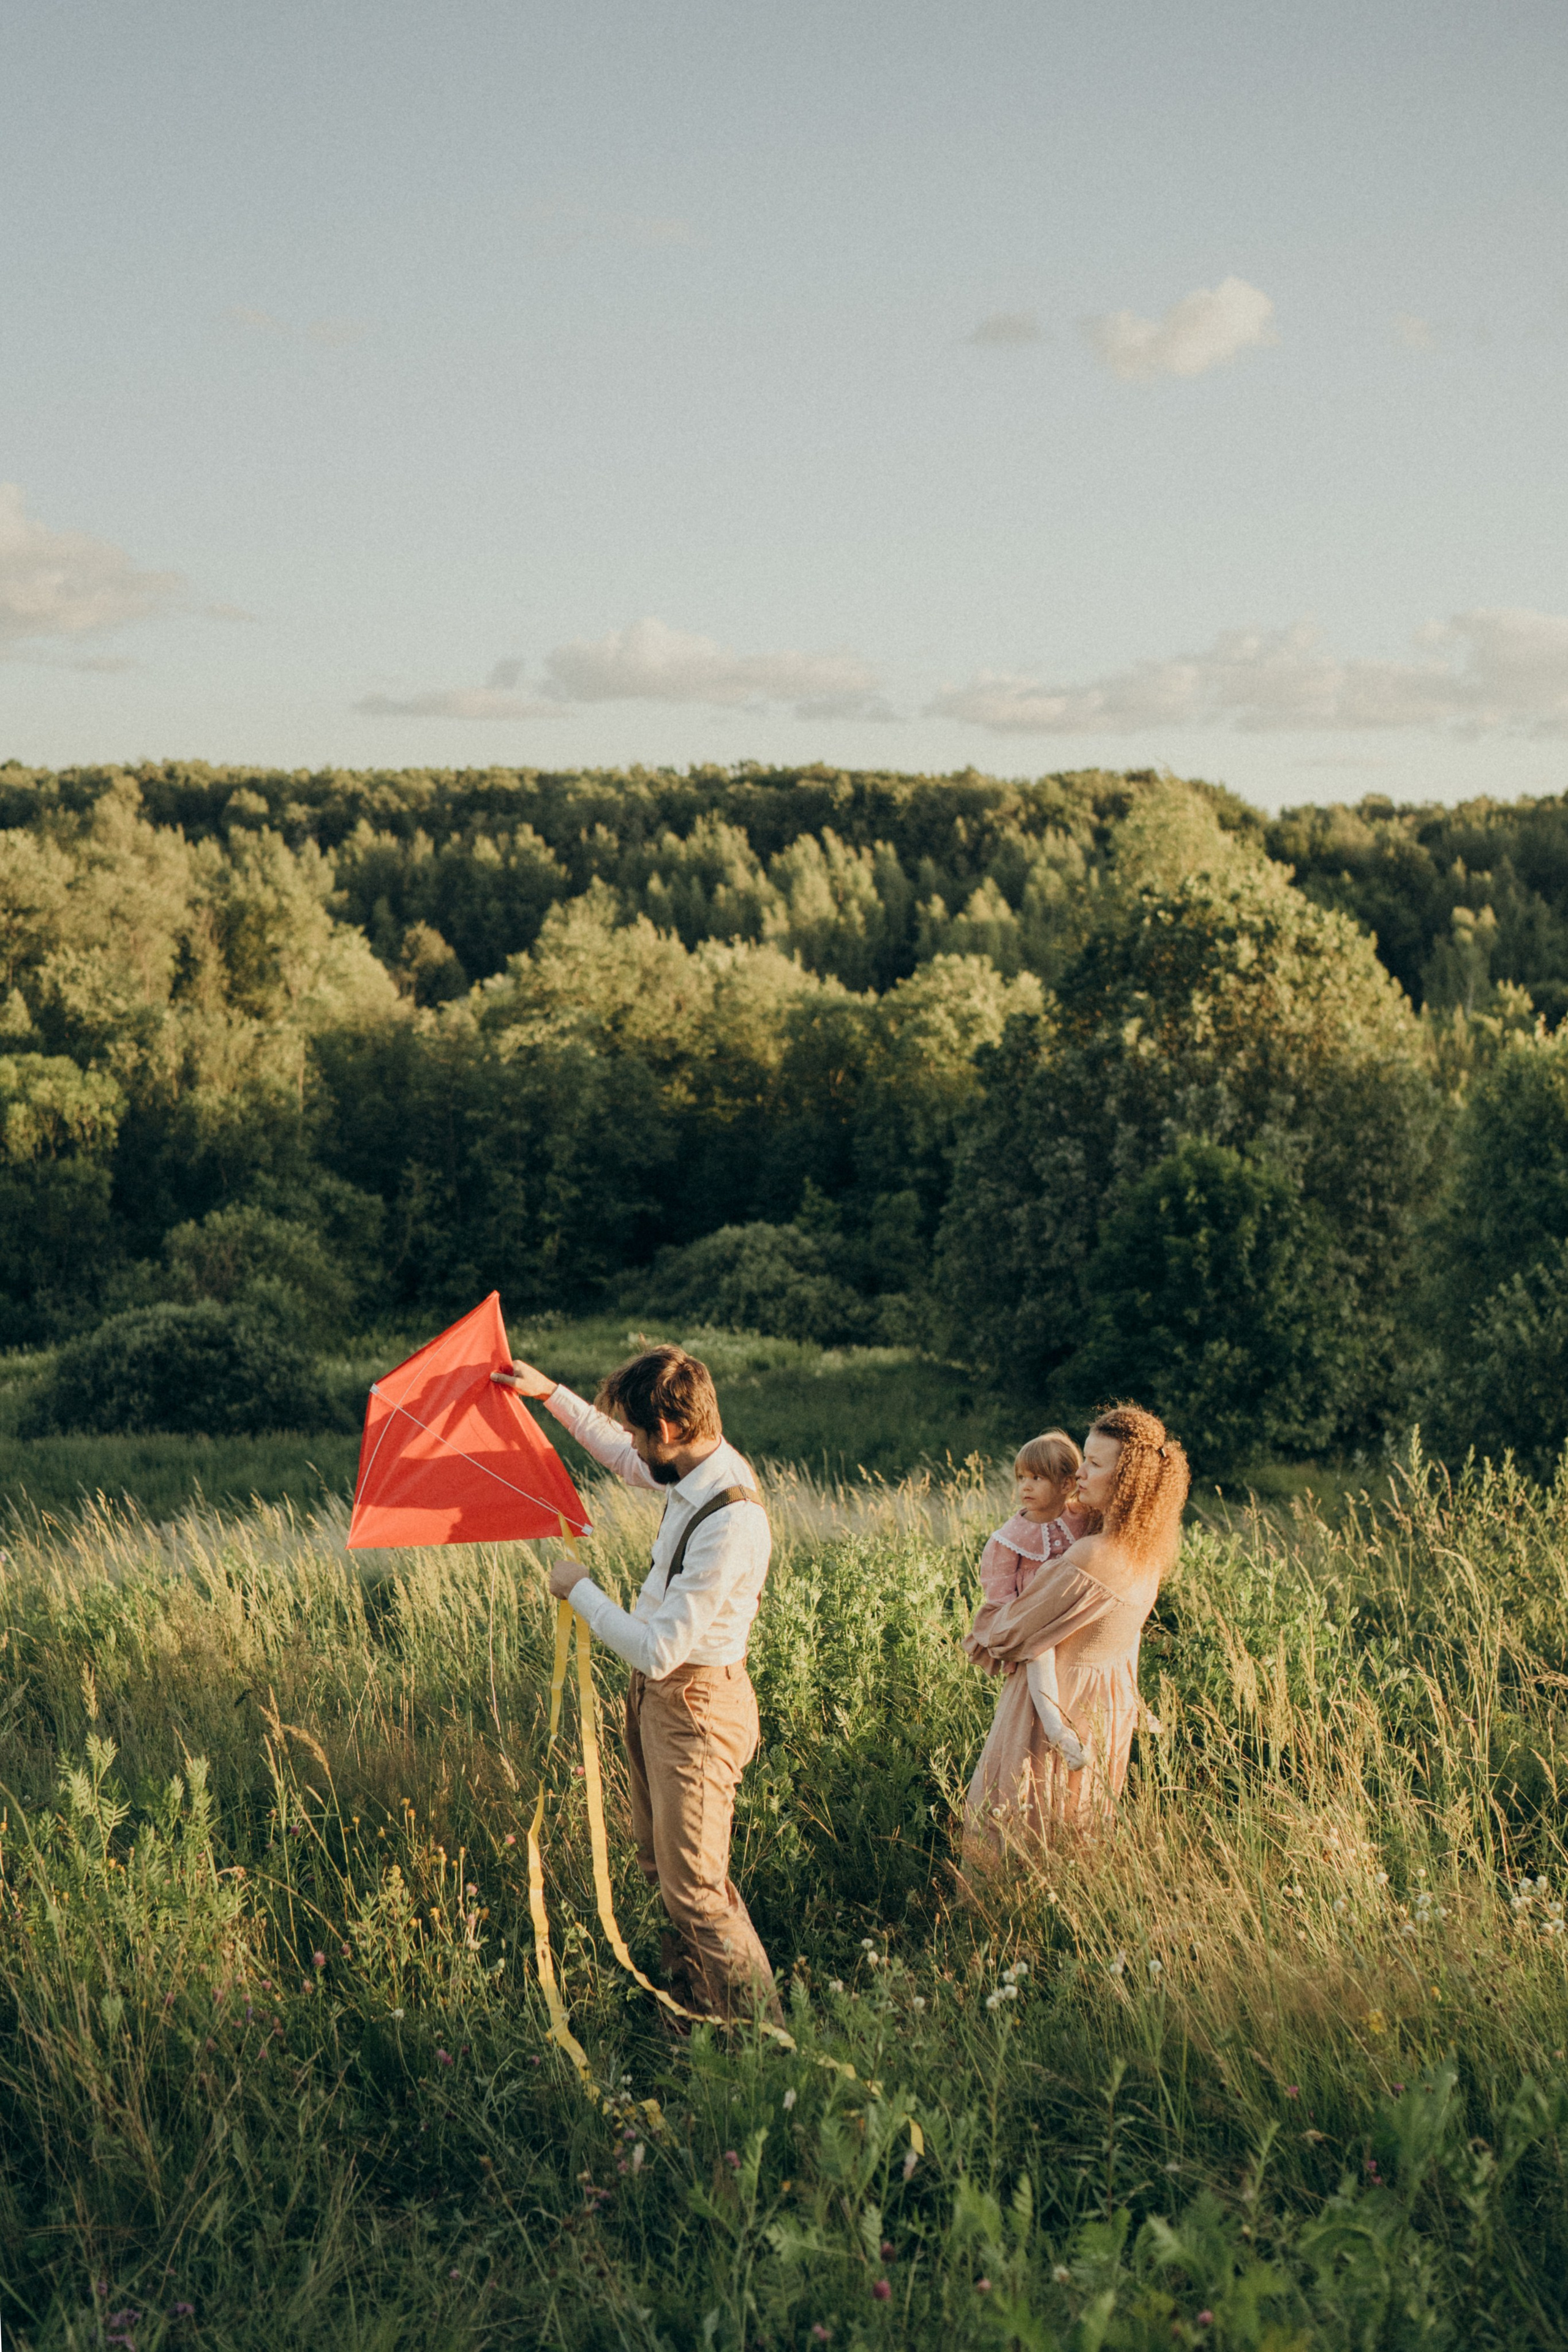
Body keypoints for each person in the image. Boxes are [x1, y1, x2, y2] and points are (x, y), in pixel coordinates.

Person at [492, 1342, 781, 2024]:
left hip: (696, 1704)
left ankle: (764, 2040)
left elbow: (658, 1650)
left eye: (641, 1430)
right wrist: (550, 1395)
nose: (632, 1444)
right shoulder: (691, 1466)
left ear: (672, 1431)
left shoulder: (730, 1517)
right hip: (663, 1700)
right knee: (662, 1872)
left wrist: (582, 1592)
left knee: (699, 1894)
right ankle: (696, 2018)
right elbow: (626, 1459)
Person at [962, 1402, 1188, 1864]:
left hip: (1057, 1709)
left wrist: (994, 1618)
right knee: (1075, 1842)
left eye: (1094, 1464)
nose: (1079, 1473)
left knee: (1015, 1837)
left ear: (1129, 1480)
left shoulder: (1092, 1555)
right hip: (1107, 1707)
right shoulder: (1146, 1551)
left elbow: (1007, 1635)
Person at [966, 1431, 1091, 1771]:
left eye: (1037, 1478)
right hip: (1032, 1614)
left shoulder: (1082, 1518)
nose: (1026, 1486)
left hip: (1073, 1607)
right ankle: (1056, 1728)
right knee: (1040, 1652)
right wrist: (1015, 1624)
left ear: (1067, 1485)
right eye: (1022, 1477)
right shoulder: (1009, 1539)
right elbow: (1000, 1589)